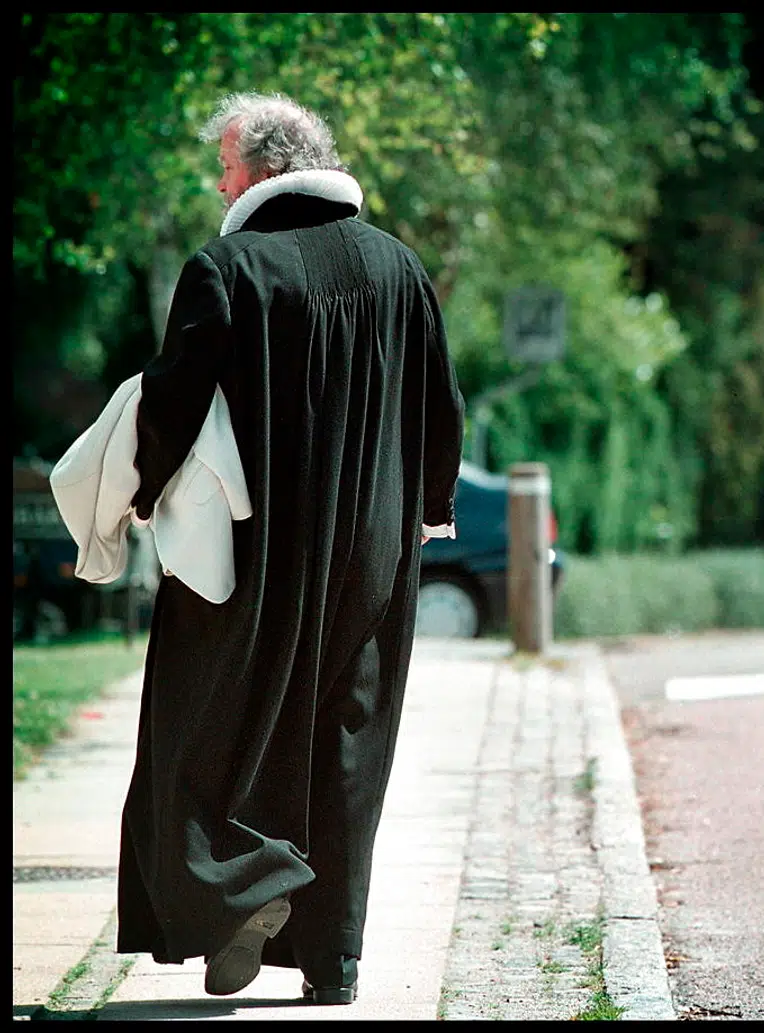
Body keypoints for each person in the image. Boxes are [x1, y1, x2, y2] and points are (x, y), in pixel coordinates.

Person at [114, 92, 465, 1005]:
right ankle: (333, 960)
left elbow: (175, 399)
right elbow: (441, 402)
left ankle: (246, 884)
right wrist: (430, 505)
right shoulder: (399, 267)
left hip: (254, 556)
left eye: (224, 165)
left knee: (199, 721)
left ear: (262, 171)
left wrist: (140, 491)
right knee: (348, 738)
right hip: (376, 554)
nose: (219, 181)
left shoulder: (227, 268)